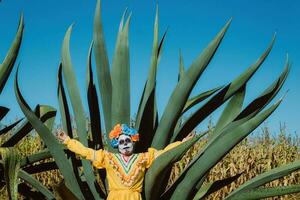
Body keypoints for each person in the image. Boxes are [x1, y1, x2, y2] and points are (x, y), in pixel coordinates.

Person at [57, 124, 194, 200]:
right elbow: (87, 152)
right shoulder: (108, 158)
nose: (125, 144)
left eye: (128, 140)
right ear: (117, 144)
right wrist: (68, 141)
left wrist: (182, 143)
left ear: (133, 141)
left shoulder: (143, 158)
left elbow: (164, 154)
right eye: (121, 142)